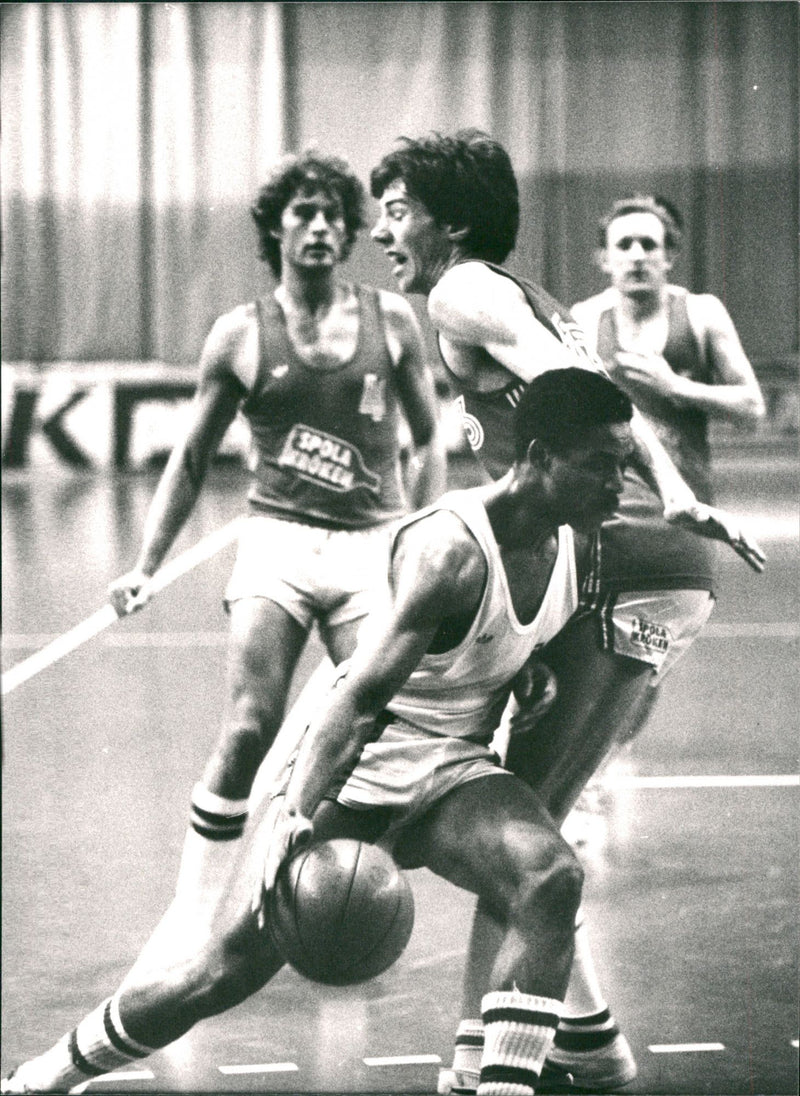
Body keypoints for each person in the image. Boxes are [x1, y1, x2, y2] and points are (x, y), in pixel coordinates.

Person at [3, 367, 638, 1096]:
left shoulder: (581, 545)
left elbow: (493, 649)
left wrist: (526, 675)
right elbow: (358, 697)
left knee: (550, 877)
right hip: (354, 763)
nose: (619, 485)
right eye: (601, 466)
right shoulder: (450, 550)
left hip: (453, 768)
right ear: (537, 458)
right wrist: (294, 814)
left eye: (622, 466)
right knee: (219, 973)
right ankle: (44, 1076)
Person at [368, 129, 765, 1093]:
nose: (382, 232)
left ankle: (473, 1072)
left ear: (450, 219)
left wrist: (666, 492)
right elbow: (599, 399)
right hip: (653, 565)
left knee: (522, 838)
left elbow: (594, 407)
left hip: (618, 559)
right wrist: (674, 499)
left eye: (396, 209)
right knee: (531, 830)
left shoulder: (464, 289)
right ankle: (587, 1038)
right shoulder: (519, 297)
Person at [106, 151, 446, 913]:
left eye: (333, 215)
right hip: (279, 543)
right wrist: (144, 564)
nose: (321, 227)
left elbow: (430, 441)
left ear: (351, 230)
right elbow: (190, 458)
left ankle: (320, 895)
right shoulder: (238, 334)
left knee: (371, 729)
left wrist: (416, 540)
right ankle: (191, 917)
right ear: (275, 229)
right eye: (304, 213)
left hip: (371, 547)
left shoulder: (391, 320)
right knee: (251, 725)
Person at [571, 194, 765, 506]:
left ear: (669, 257)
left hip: (688, 506)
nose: (637, 256)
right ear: (604, 259)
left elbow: (753, 409)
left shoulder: (702, 313)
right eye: (624, 245)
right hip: (609, 511)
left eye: (649, 245)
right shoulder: (585, 319)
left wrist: (676, 387)